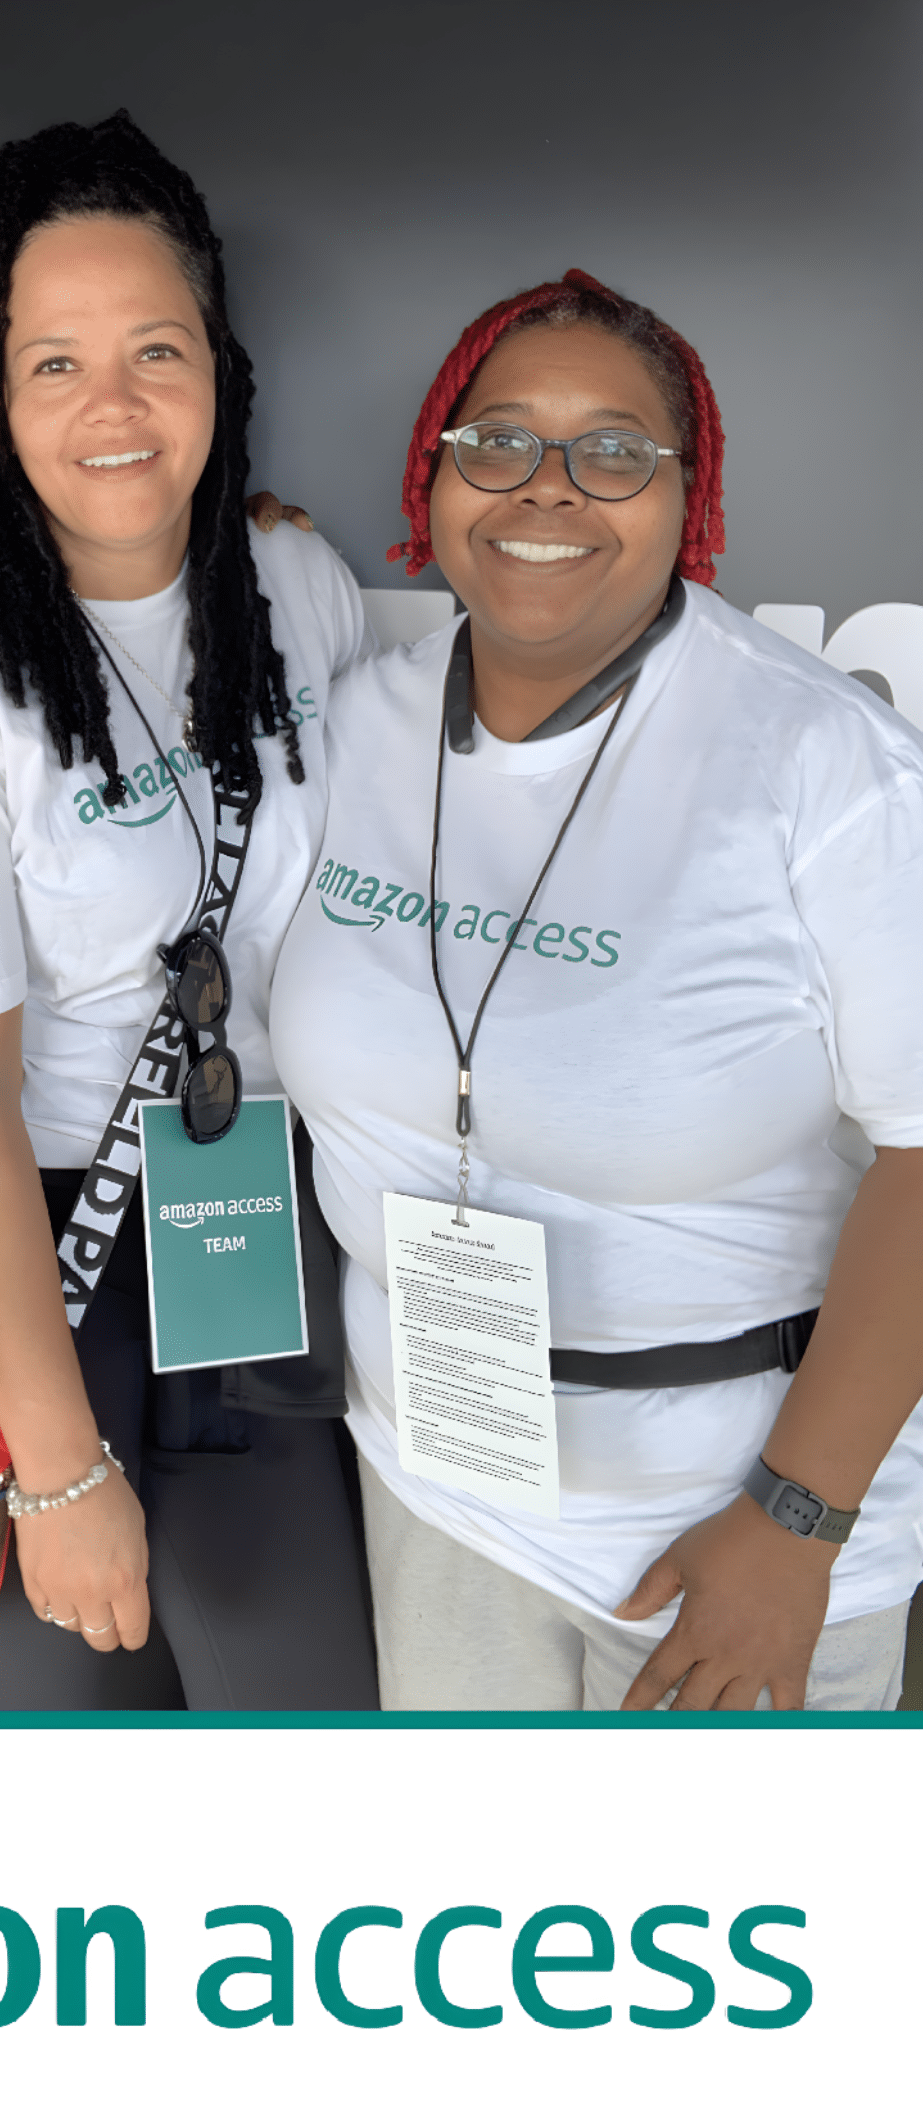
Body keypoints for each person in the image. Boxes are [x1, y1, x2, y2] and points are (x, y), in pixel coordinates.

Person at [270, 268, 923, 1711]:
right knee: (481, 1928)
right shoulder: (354, 727)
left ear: (688, 498)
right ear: (433, 472)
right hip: (431, 1485)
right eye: (495, 440)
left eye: (613, 451)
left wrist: (796, 1529)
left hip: (724, 1537)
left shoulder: (824, 766)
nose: (545, 492)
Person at [0, 113, 379, 1709]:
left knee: (310, 1718)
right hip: (38, 1268)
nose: (116, 406)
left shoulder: (303, 592)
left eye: (156, 350)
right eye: (53, 364)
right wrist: (63, 1473)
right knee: (47, 1774)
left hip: (261, 1230)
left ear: (220, 367)